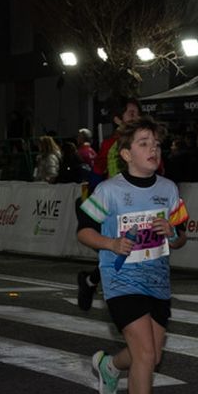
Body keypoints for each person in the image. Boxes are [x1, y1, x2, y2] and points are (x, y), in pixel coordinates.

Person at [77, 117, 188, 394]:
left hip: (157, 282)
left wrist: (171, 232)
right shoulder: (109, 191)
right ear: (125, 153)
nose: (152, 149)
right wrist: (110, 243)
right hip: (121, 281)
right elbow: (83, 231)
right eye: (143, 143)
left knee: (151, 357)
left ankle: (109, 366)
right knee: (143, 354)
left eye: (155, 144)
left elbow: (182, 235)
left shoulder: (169, 189)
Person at [77, 98, 143, 309]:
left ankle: (90, 281)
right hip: (114, 207)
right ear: (117, 119)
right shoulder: (109, 144)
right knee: (120, 251)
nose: (135, 116)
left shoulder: (145, 141)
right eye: (130, 113)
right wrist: (93, 204)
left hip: (139, 204)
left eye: (137, 113)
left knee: (131, 251)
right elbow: (97, 173)